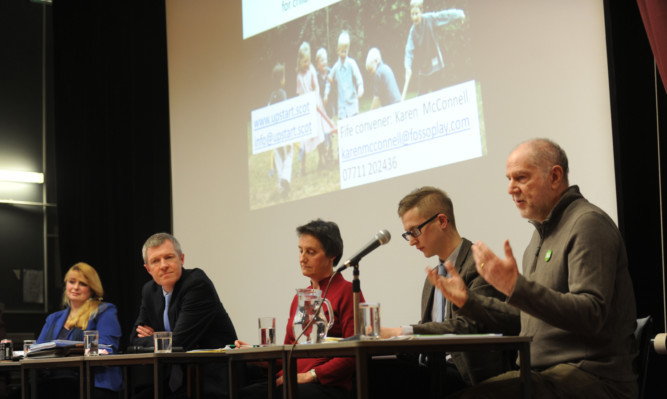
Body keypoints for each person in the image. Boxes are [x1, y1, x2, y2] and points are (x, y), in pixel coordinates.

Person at [429, 139, 638, 398]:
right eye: (508, 178)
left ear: (555, 176)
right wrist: (469, 301)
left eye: (521, 177)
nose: (510, 188)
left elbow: (591, 313)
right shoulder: (538, 239)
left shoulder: (587, 224)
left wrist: (516, 286)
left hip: (592, 376)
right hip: (542, 374)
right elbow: (525, 318)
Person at [375, 187, 517, 396]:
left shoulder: (480, 265)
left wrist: (402, 331)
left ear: (442, 221)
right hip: (433, 368)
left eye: (415, 231)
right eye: (408, 234)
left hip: (465, 375)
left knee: (384, 377)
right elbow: (430, 329)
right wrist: (390, 343)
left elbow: (471, 325)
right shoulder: (433, 276)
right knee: (372, 368)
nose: (412, 241)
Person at [238, 219, 362, 399]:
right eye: (300, 250)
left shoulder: (347, 291)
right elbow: (290, 353)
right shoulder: (300, 298)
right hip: (291, 381)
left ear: (332, 255)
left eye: (311, 252)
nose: (302, 258)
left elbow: (354, 353)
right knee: (242, 393)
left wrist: (311, 375)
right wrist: (259, 357)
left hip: (325, 385)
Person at [130, 232, 238, 398]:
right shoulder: (149, 291)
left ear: (181, 259)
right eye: (155, 261)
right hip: (178, 379)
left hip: (212, 379)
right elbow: (134, 341)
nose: (163, 265)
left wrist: (157, 337)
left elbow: (179, 342)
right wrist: (166, 339)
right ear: (148, 269)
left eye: (169, 257)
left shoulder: (197, 284)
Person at [36, 262, 122, 399]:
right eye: (72, 282)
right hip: (54, 381)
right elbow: (37, 351)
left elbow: (108, 346)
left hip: (91, 381)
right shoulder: (53, 318)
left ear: (92, 289)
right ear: (66, 285)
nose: (75, 287)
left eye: (82, 284)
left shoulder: (104, 311)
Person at [402, 0, 466, 100]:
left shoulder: (429, 19)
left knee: (439, 96)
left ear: (421, 11)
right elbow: (409, 51)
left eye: (416, 13)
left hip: (436, 66)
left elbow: (444, 16)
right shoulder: (412, 32)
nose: (414, 17)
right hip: (423, 70)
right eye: (412, 14)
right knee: (422, 98)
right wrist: (407, 67)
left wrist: (459, 14)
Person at [295, 42, 332, 173]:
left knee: (319, 135)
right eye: (304, 61)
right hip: (306, 109)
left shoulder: (311, 70)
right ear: (299, 61)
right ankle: (302, 167)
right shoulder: (299, 76)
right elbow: (300, 94)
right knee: (304, 139)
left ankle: (321, 160)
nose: (307, 63)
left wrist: (315, 101)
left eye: (308, 60)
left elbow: (315, 87)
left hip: (315, 106)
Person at [324, 31, 364, 120]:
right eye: (341, 51)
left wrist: (360, 88)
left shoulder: (352, 63)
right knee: (343, 127)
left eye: (345, 52)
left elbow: (359, 78)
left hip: (352, 102)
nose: (343, 54)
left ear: (348, 50)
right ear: (337, 50)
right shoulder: (335, 67)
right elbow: (328, 81)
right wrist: (326, 94)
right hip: (342, 105)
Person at [268, 63, 292, 198]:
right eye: (284, 77)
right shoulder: (283, 94)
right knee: (289, 154)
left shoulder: (272, 96)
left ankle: (282, 188)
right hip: (284, 133)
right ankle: (285, 178)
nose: (285, 80)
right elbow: (285, 111)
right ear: (280, 79)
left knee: (278, 159)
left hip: (274, 135)